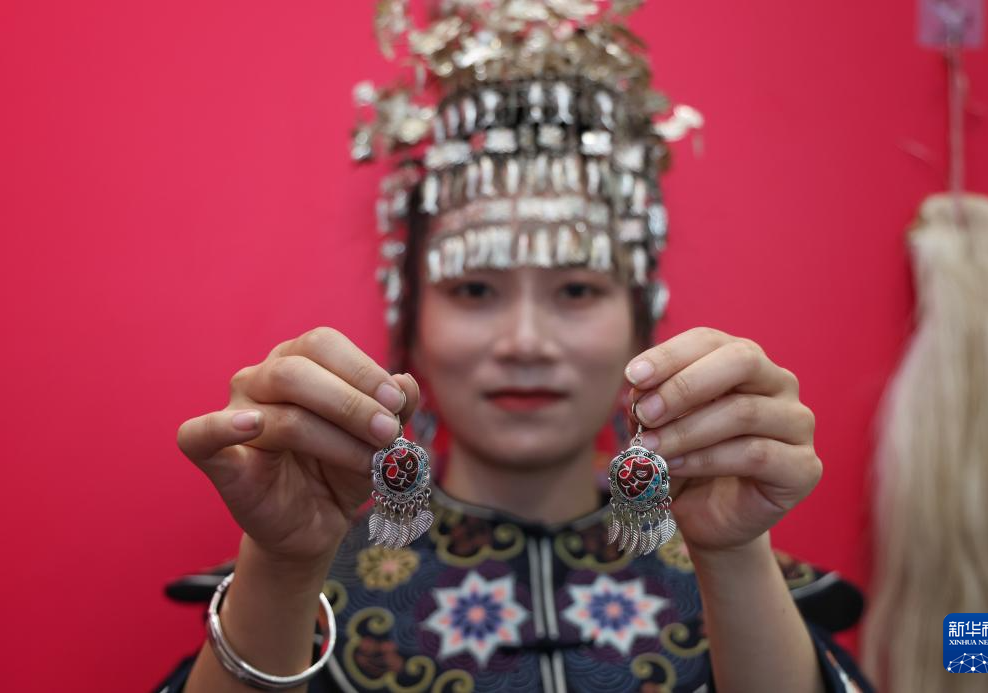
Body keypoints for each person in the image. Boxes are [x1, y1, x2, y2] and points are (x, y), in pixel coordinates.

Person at [156, 2, 875, 691]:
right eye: (474, 289)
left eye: (577, 290)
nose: (525, 342)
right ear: (411, 322)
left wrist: (735, 556)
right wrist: (282, 570)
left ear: (641, 324)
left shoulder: (737, 567)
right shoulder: (304, 576)